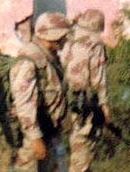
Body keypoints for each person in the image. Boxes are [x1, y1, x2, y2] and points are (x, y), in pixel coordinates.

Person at [9, 11, 71, 171]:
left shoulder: (49, 58)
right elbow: (24, 103)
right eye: (63, 35)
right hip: (33, 137)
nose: (65, 39)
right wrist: (35, 138)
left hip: (49, 132)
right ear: (53, 35)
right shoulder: (30, 60)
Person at [62, 9, 111, 172]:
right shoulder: (95, 43)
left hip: (64, 99)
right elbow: (98, 78)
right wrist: (105, 106)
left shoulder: (68, 38)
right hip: (85, 102)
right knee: (82, 148)